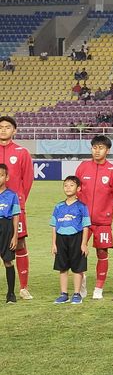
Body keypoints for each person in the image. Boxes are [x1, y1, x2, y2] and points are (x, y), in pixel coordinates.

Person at [75, 135, 113, 299]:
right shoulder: (83, 167)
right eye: (95, 147)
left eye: (101, 148)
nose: (97, 151)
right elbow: (76, 189)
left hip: (103, 220)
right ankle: (81, 282)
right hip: (82, 221)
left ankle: (98, 288)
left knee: (102, 253)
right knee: (79, 252)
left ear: (107, 150)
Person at [0, 116, 34, 300]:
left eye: (7, 127)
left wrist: (19, 202)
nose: (3, 130)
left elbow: (27, 180)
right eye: (1, 127)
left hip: (14, 208)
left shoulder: (22, 152)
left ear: (14, 130)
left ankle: (23, 287)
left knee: (19, 243)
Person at [51, 176, 90, 305]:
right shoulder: (58, 207)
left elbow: (85, 226)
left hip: (76, 238)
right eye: (66, 185)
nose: (68, 188)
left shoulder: (82, 207)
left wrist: (84, 244)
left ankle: (77, 294)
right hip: (61, 239)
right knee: (62, 267)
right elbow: (54, 226)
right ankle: (64, 294)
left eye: (71, 185)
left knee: (77, 268)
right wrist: (54, 244)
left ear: (78, 188)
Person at [0, 164, 20, 303]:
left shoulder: (12, 195)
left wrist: (15, 236)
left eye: (1, 175)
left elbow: (16, 216)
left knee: (8, 261)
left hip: (6, 228)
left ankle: (11, 294)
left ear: (6, 177)